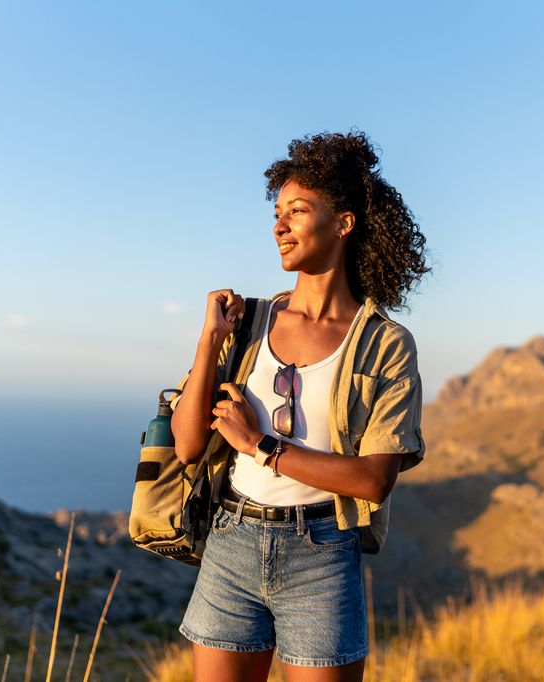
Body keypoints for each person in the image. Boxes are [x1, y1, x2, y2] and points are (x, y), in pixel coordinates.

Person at [169, 130, 430, 682]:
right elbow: (189, 446)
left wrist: (259, 445)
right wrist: (209, 339)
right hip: (231, 542)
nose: (278, 225)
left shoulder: (385, 344)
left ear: (343, 223)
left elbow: (373, 480)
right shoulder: (248, 323)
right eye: (277, 211)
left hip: (323, 554)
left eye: (297, 210)